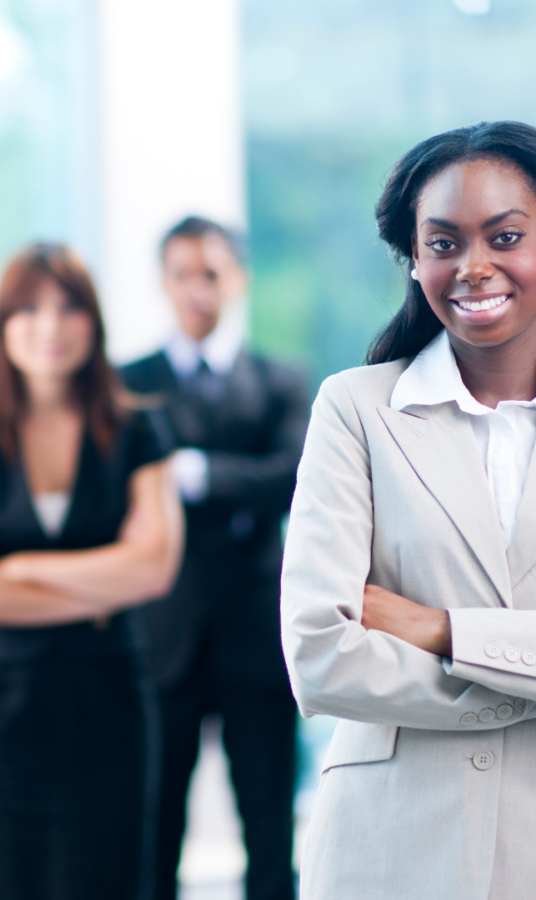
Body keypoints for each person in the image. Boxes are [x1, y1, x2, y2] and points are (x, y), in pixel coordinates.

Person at [282, 120, 536, 900]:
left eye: (506, 235)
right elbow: (320, 654)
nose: (475, 266)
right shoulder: (355, 409)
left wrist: (440, 629)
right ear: (414, 260)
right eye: (443, 243)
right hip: (387, 844)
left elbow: (381, 643)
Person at [0, 243, 183, 900]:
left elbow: (154, 569)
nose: (49, 327)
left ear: (93, 323)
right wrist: (100, 582)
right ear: (2, 326)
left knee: (109, 879)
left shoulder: (139, 431)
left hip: (107, 703)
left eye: (68, 308)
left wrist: (20, 569)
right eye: (28, 310)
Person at [120, 216, 308, 900]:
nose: (198, 289)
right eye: (182, 274)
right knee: (151, 829)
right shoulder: (126, 382)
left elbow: (296, 479)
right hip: (159, 632)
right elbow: (118, 490)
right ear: (161, 283)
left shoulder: (283, 378)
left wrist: (194, 473)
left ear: (240, 279)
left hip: (255, 635)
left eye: (212, 273)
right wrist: (243, 478)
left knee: (267, 827)